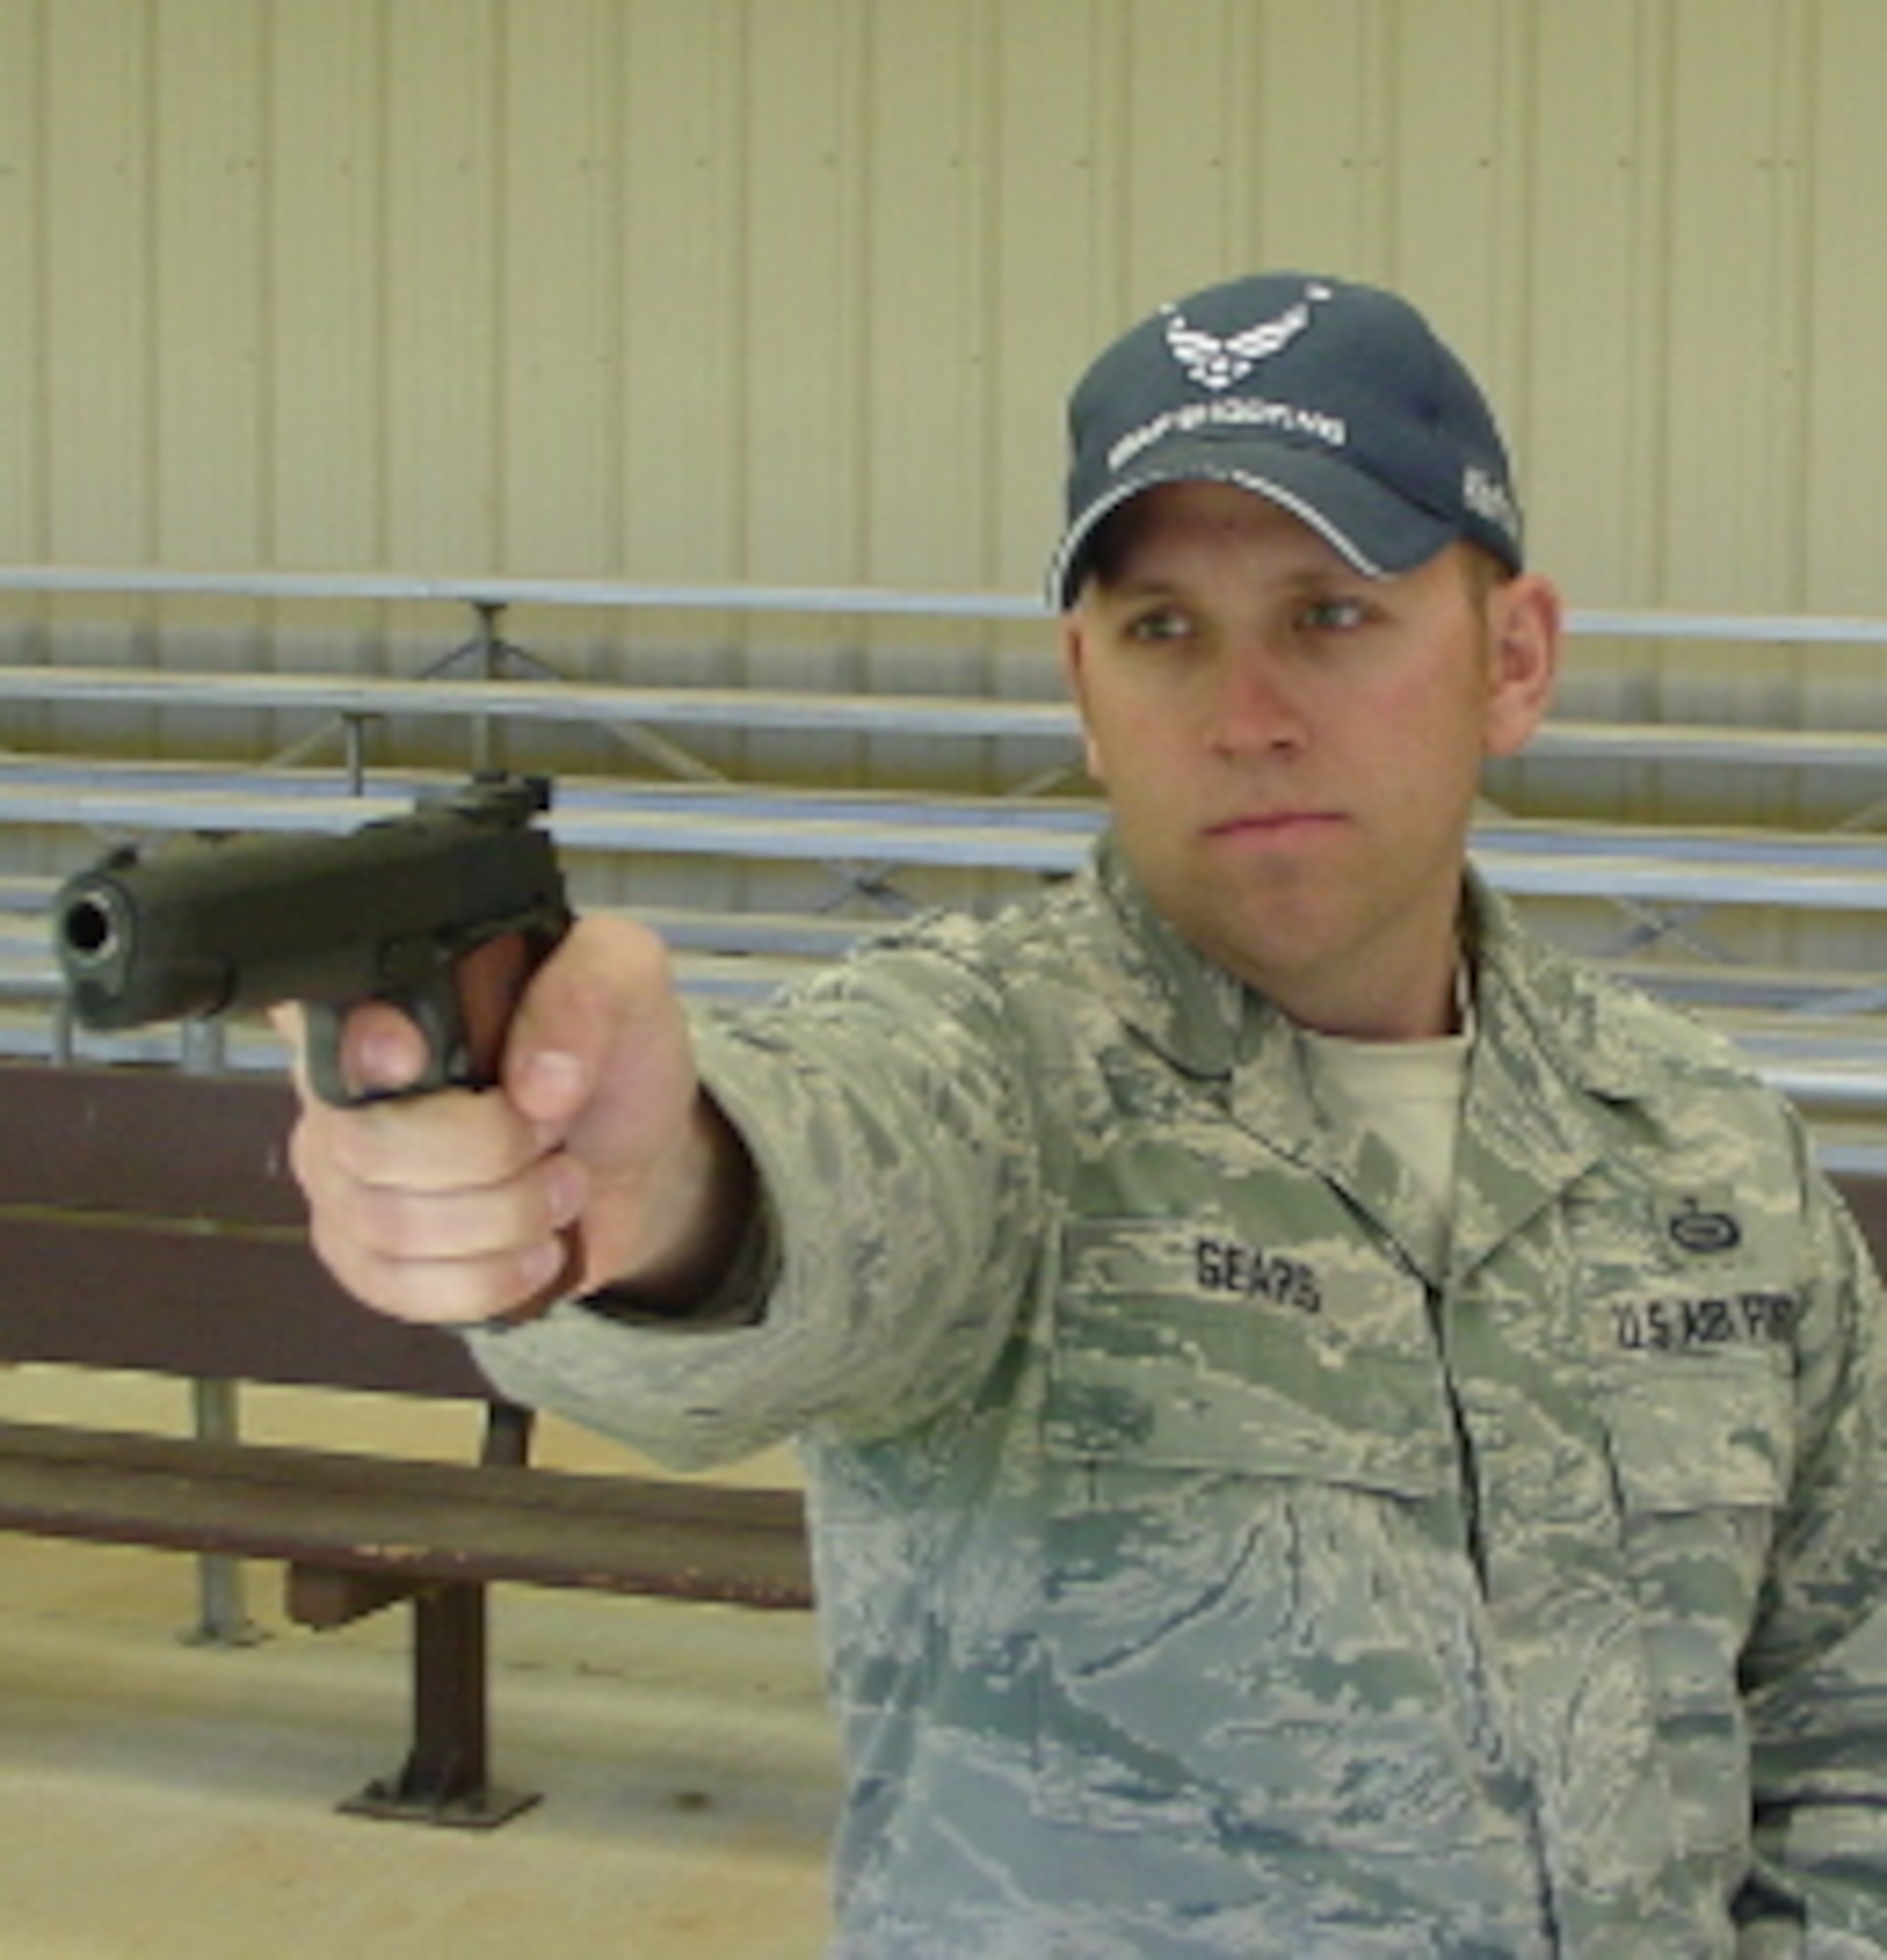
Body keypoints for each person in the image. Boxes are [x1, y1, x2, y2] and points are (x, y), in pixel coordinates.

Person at [283, 272, 1887, 1957]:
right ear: (1080, 681)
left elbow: (1848, 1725)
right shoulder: (1002, 1073)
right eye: (1161, 629)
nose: (1243, 714)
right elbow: (807, 1198)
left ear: (1512, 658)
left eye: (1329, 614)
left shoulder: (1703, 1151)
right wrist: (633, 1200)